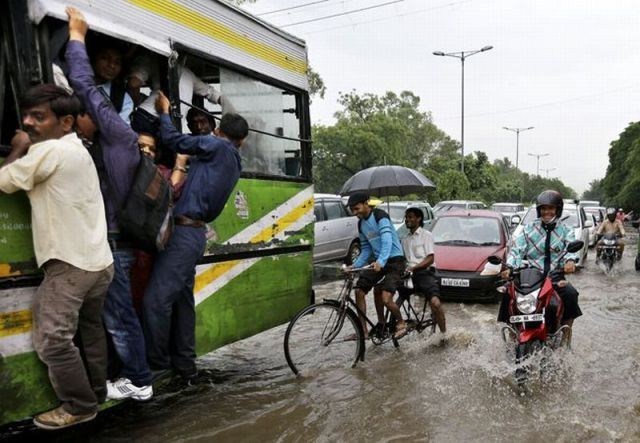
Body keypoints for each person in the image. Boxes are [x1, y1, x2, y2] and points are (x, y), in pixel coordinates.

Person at [0, 84, 114, 429]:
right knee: (90, 331)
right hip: (99, 263)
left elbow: (4, 180)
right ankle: (96, 391)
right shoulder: (77, 149)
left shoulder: (49, 151)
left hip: (69, 264)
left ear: (65, 122)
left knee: (52, 340)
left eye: (39, 117)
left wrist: (18, 147)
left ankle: (79, 405)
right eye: (26, 116)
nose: (28, 123)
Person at [65, 7, 153, 400]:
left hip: (115, 243)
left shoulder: (116, 133)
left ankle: (139, 380)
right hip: (112, 241)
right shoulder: (111, 140)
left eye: (83, 114)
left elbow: (84, 84)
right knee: (113, 315)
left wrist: (76, 35)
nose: (80, 118)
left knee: (118, 317)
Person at [142, 91, 248, 383]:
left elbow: (175, 140)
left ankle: (156, 366)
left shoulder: (216, 147)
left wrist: (163, 112)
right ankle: (185, 365)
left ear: (218, 132)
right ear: (243, 140)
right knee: (182, 302)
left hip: (185, 233)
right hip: (193, 234)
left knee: (155, 300)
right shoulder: (233, 158)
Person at [497, 190, 582, 338]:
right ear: (539, 210)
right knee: (507, 293)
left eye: (550, 208)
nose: (547, 212)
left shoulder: (566, 230)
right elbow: (517, 250)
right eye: (543, 208)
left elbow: (571, 249)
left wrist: (569, 261)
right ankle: (511, 332)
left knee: (571, 294)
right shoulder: (529, 229)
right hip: (530, 277)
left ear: (557, 209)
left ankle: (566, 334)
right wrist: (509, 267)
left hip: (554, 276)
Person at [345, 192, 408, 339]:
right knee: (359, 291)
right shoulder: (361, 223)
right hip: (378, 261)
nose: (355, 213)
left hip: (395, 260)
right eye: (352, 210)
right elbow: (366, 249)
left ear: (366, 203)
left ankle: (401, 322)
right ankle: (363, 331)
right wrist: (354, 266)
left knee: (386, 298)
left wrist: (381, 261)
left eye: (357, 208)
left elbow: (386, 241)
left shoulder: (381, 216)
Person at [398, 207, 446, 334]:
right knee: (394, 297)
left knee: (435, 303)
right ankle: (398, 324)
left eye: (410, 217)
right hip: (409, 274)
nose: (407, 220)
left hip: (425, 272)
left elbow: (430, 259)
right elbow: (403, 259)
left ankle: (443, 334)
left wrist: (415, 267)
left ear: (418, 219)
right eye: (406, 217)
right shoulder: (404, 239)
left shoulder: (427, 235)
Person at [90, 37, 134, 123]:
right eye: (105, 58)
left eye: (117, 62)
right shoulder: (74, 80)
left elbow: (120, 133)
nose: (112, 65)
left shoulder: (124, 100)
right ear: (94, 58)